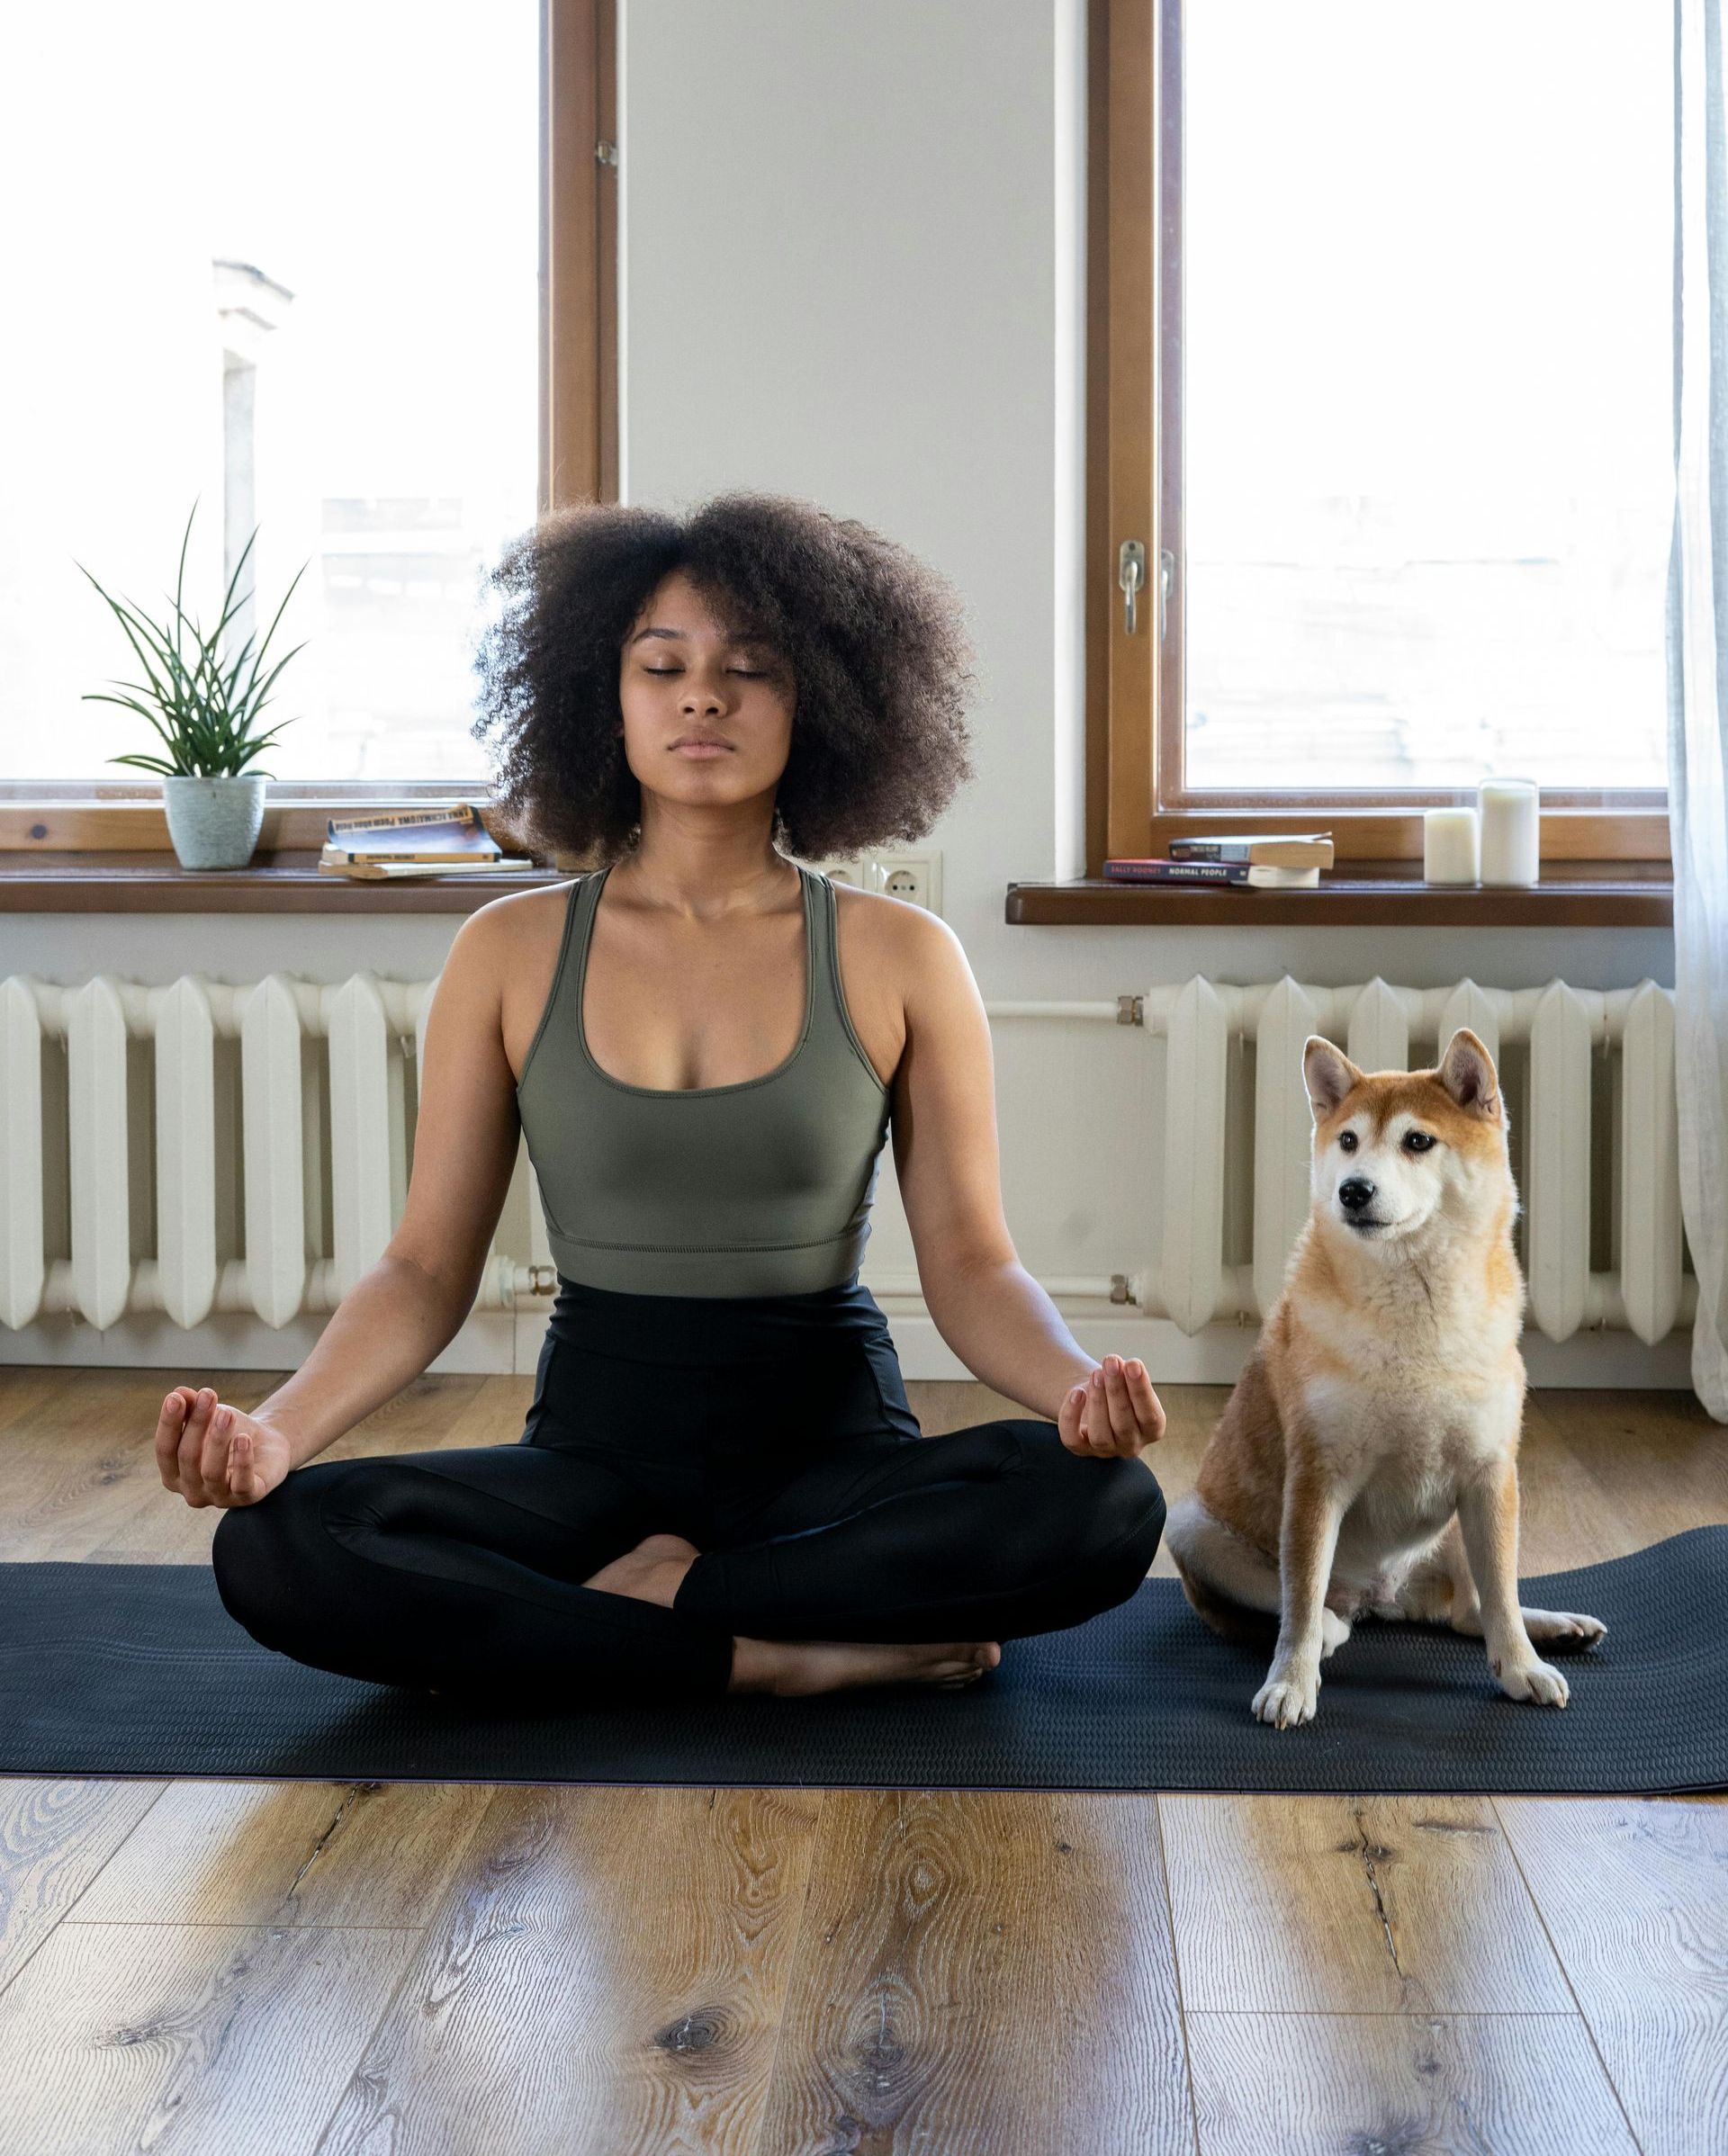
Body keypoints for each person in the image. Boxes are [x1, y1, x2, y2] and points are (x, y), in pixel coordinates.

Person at [160, 490, 1168, 1708]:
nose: (704, 697)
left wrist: (1072, 1393)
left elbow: (970, 1264)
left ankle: (645, 1614)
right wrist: (274, 1435)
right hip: (593, 1456)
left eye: (751, 670)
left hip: (829, 1455)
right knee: (279, 1542)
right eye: (663, 667)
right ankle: (766, 1651)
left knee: (1107, 1505)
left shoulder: (902, 954)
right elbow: (426, 1271)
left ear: (825, 706)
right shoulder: (509, 949)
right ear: (606, 696)